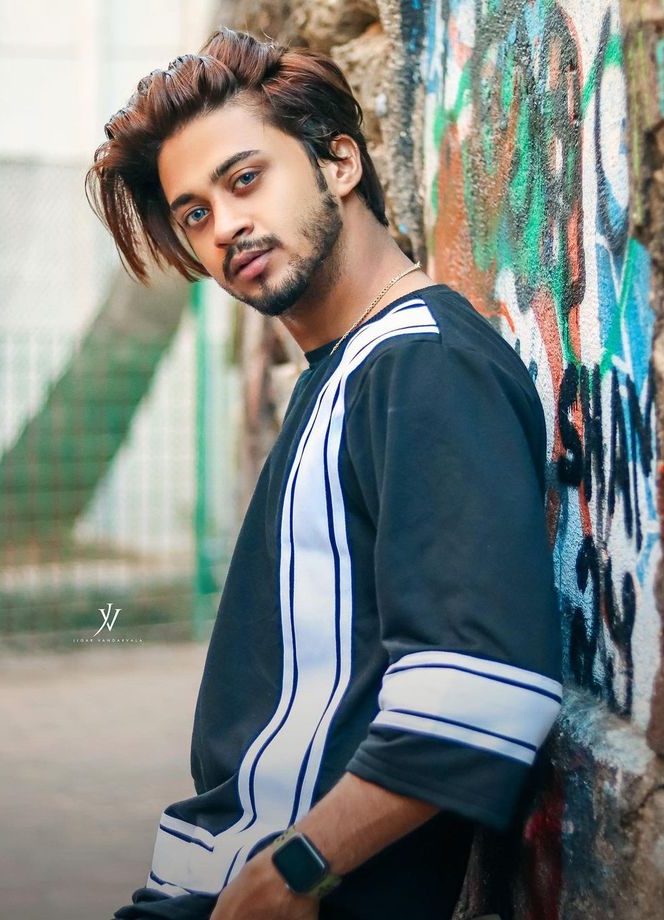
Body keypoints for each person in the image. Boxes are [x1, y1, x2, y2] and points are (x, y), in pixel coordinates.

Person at [86, 27, 562, 920]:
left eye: (244, 178)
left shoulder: (421, 365)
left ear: (338, 162)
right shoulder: (348, 372)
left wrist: (295, 870)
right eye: (193, 212)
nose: (223, 226)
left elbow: (482, 680)